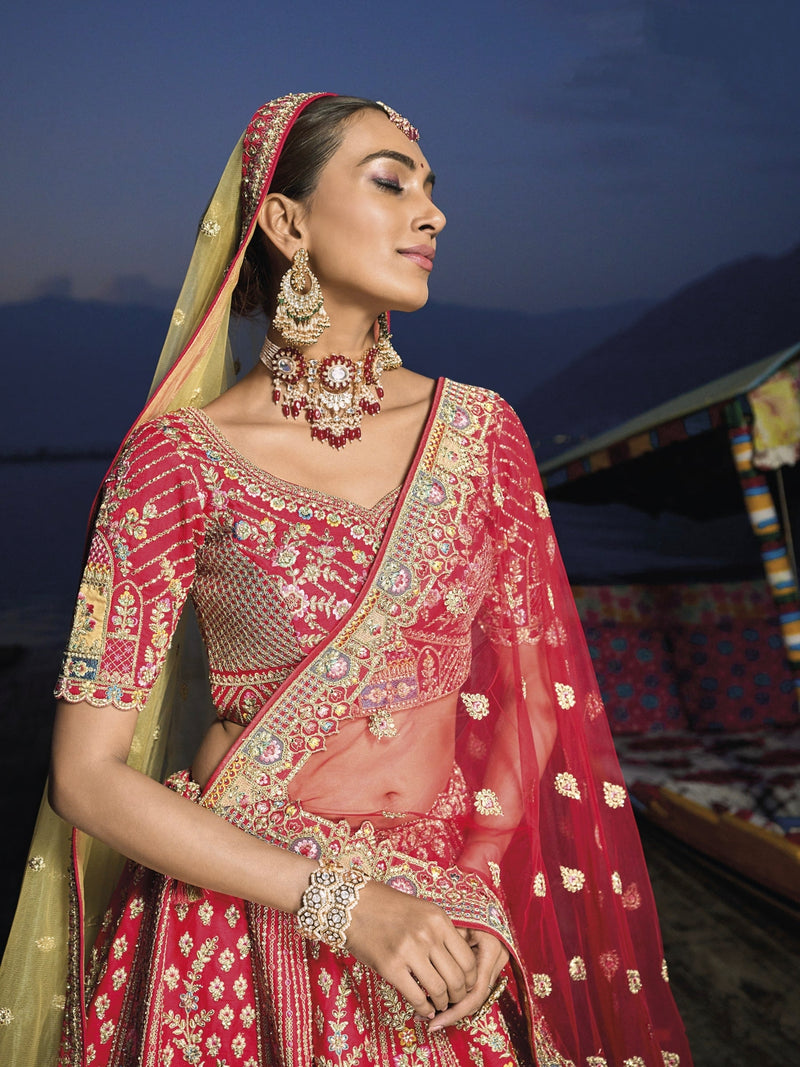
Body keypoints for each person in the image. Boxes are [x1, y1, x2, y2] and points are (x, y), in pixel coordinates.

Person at [0, 93, 693, 1067]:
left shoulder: (480, 433)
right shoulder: (173, 460)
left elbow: (534, 696)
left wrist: (479, 887)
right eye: (388, 179)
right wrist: (340, 901)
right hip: (240, 908)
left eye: (430, 188)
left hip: (443, 908)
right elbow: (84, 772)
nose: (431, 212)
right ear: (284, 222)